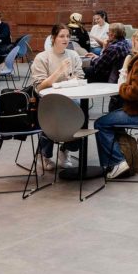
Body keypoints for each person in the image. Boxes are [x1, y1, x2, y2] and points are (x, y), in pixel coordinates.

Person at [94, 27, 138, 179]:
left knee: (100, 123)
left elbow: (136, 92)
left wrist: (123, 86)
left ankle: (116, 162)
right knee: (111, 120)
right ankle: (127, 157)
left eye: (133, 40)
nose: (131, 43)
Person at [31, 24, 85, 169]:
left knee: (80, 115)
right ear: (53, 38)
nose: (65, 39)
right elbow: (39, 86)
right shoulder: (42, 57)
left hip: (70, 98)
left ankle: (65, 150)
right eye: (62, 36)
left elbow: (80, 77)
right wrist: (59, 71)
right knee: (53, 117)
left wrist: (73, 78)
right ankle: (43, 154)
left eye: (68, 36)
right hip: (48, 101)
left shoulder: (73, 55)